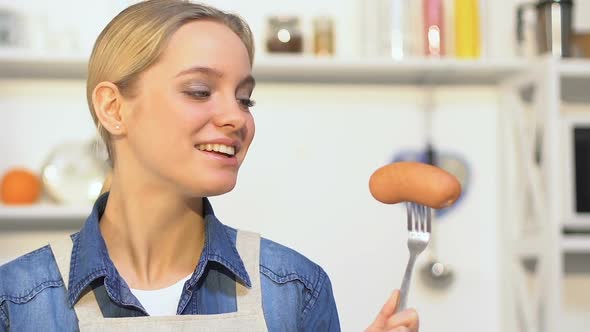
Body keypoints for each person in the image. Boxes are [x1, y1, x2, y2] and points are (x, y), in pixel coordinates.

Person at [0, 1, 418, 331]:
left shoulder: (293, 289)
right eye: (200, 91)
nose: (236, 118)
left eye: (244, 98)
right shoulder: (18, 300)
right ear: (114, 109)